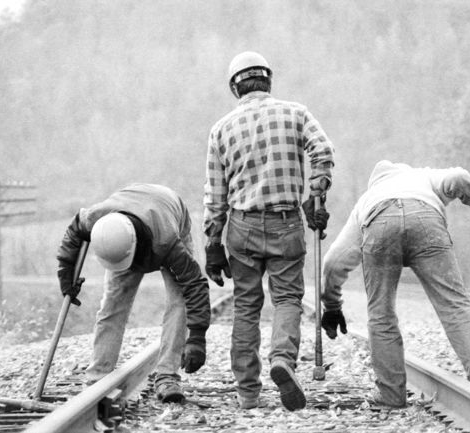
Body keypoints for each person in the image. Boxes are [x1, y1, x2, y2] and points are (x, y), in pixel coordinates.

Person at [203, 51, 334, 411]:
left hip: (241, 226)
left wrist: (213, 242)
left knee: (246, 306)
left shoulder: (222, 129)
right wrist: (316, 192)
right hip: (285, 222)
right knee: (288, 299)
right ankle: (283, 361)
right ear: (268, 80)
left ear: (235, 87)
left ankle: (248, 392)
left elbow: (215, 195)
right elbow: (322, 149)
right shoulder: (296, 113)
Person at [320, 160, 470, 408]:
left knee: (381, 314)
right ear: (404, 171)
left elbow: (333, 263)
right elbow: (459, 176)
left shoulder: (367, 198)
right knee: (455, 306)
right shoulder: (423, 178)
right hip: (425, 219)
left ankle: (391, 395)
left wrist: (331, 305)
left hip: (378, 221)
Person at [56, 183, 211, 403]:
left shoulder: (167, 242)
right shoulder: (95, 219)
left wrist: (197, 337)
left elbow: (194, 285)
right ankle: (98, 376)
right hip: (128, 219)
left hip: (169, 216)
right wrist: (66, 275)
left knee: (179, 302)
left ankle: (167, 376)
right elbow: (73, 234)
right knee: (112, 304)